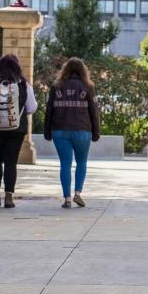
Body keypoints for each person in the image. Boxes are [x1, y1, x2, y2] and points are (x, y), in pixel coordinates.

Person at [0, 54, 38, 209]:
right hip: (16, 130)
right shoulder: (24, 85)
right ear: (17, 67)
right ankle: (9, 196)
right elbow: (32, 107)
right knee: (11, 162)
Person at [43, 58, 101, 209]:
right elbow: (94, 112)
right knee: (81, 162)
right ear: (83, 71)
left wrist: (47, 131)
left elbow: (49, 110)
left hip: (60, 131)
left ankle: (67, 198)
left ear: (65, 70)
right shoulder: (87, 86)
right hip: (82, 131)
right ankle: (77, 193)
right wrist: (96, 132)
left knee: (65, 164)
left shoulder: (56, 87)